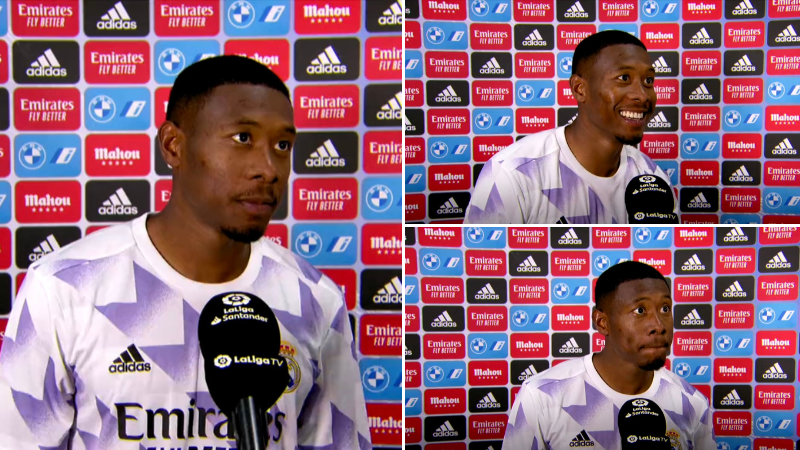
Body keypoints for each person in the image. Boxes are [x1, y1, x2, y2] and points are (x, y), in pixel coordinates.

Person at [0, 55, 372, 449]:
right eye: (243, 138)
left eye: (282, 145)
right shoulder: (64, 287)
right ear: (173, 145)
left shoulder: (315, 300)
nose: (269, 168)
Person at [464, 30, 675, 224]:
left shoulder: (652, 178)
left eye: (649, 80)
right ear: (579, 89)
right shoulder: (511, 174)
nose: (642, 95)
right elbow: (481, 261)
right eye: (624, 78)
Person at [503, 261, 715, 449]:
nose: (658, 326)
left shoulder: (693, 404)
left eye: (665, 309)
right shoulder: (542, 396)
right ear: (602, 322)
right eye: (640, 311)